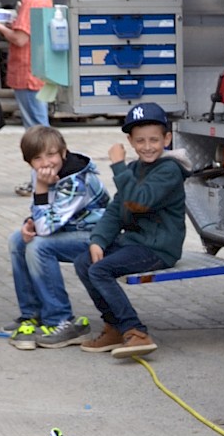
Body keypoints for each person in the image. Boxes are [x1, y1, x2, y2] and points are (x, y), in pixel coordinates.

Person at [74, 101, 186, 358]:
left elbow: (139, 201)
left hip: (158, 247)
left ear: (167, 138)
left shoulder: (170, 170)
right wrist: (98, 240)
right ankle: (114, 327)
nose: (148, 146)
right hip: (136, 242)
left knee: (100, 270)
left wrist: (118, 166)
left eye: (154, 140)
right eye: (141, 141)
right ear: (131, 141)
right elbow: (117, 209)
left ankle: (136, 331)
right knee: (85, 262)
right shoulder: (136, 169)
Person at [8, 127, 110, 349]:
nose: (46, 162)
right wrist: (29, 223)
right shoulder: (42, 173)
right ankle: (32, 315)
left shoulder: (77, 181)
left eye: (51, 154)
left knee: (38, 246)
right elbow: (44, 214)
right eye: (37, 157)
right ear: (29, 162)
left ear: (64, 152)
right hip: (67, 227)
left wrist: (41, 189)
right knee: (17, 240)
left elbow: (46, 228)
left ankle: (61, 320)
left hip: (94, 236)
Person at [0, 0, 53, 188]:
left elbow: (20, 39)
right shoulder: (43, 0)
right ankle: (45, 177)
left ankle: (42, 180)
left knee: (36, 132)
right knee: (40, 128)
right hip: (38, 73)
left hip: (28, 74)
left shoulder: (32, 1)